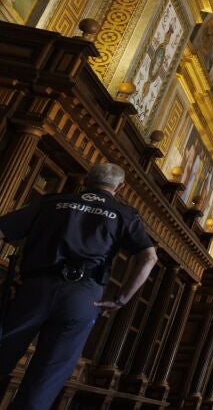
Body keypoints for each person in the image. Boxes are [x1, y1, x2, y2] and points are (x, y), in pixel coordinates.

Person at [0, 163, 157, 410]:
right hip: (83, 296)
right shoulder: (124, 214)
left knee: (3, 351)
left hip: (35, 288)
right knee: (47, 376)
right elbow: (149, 257)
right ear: (120, 187)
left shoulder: (52, 202)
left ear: (86, 180)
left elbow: (3, 229)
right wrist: (121, 299)